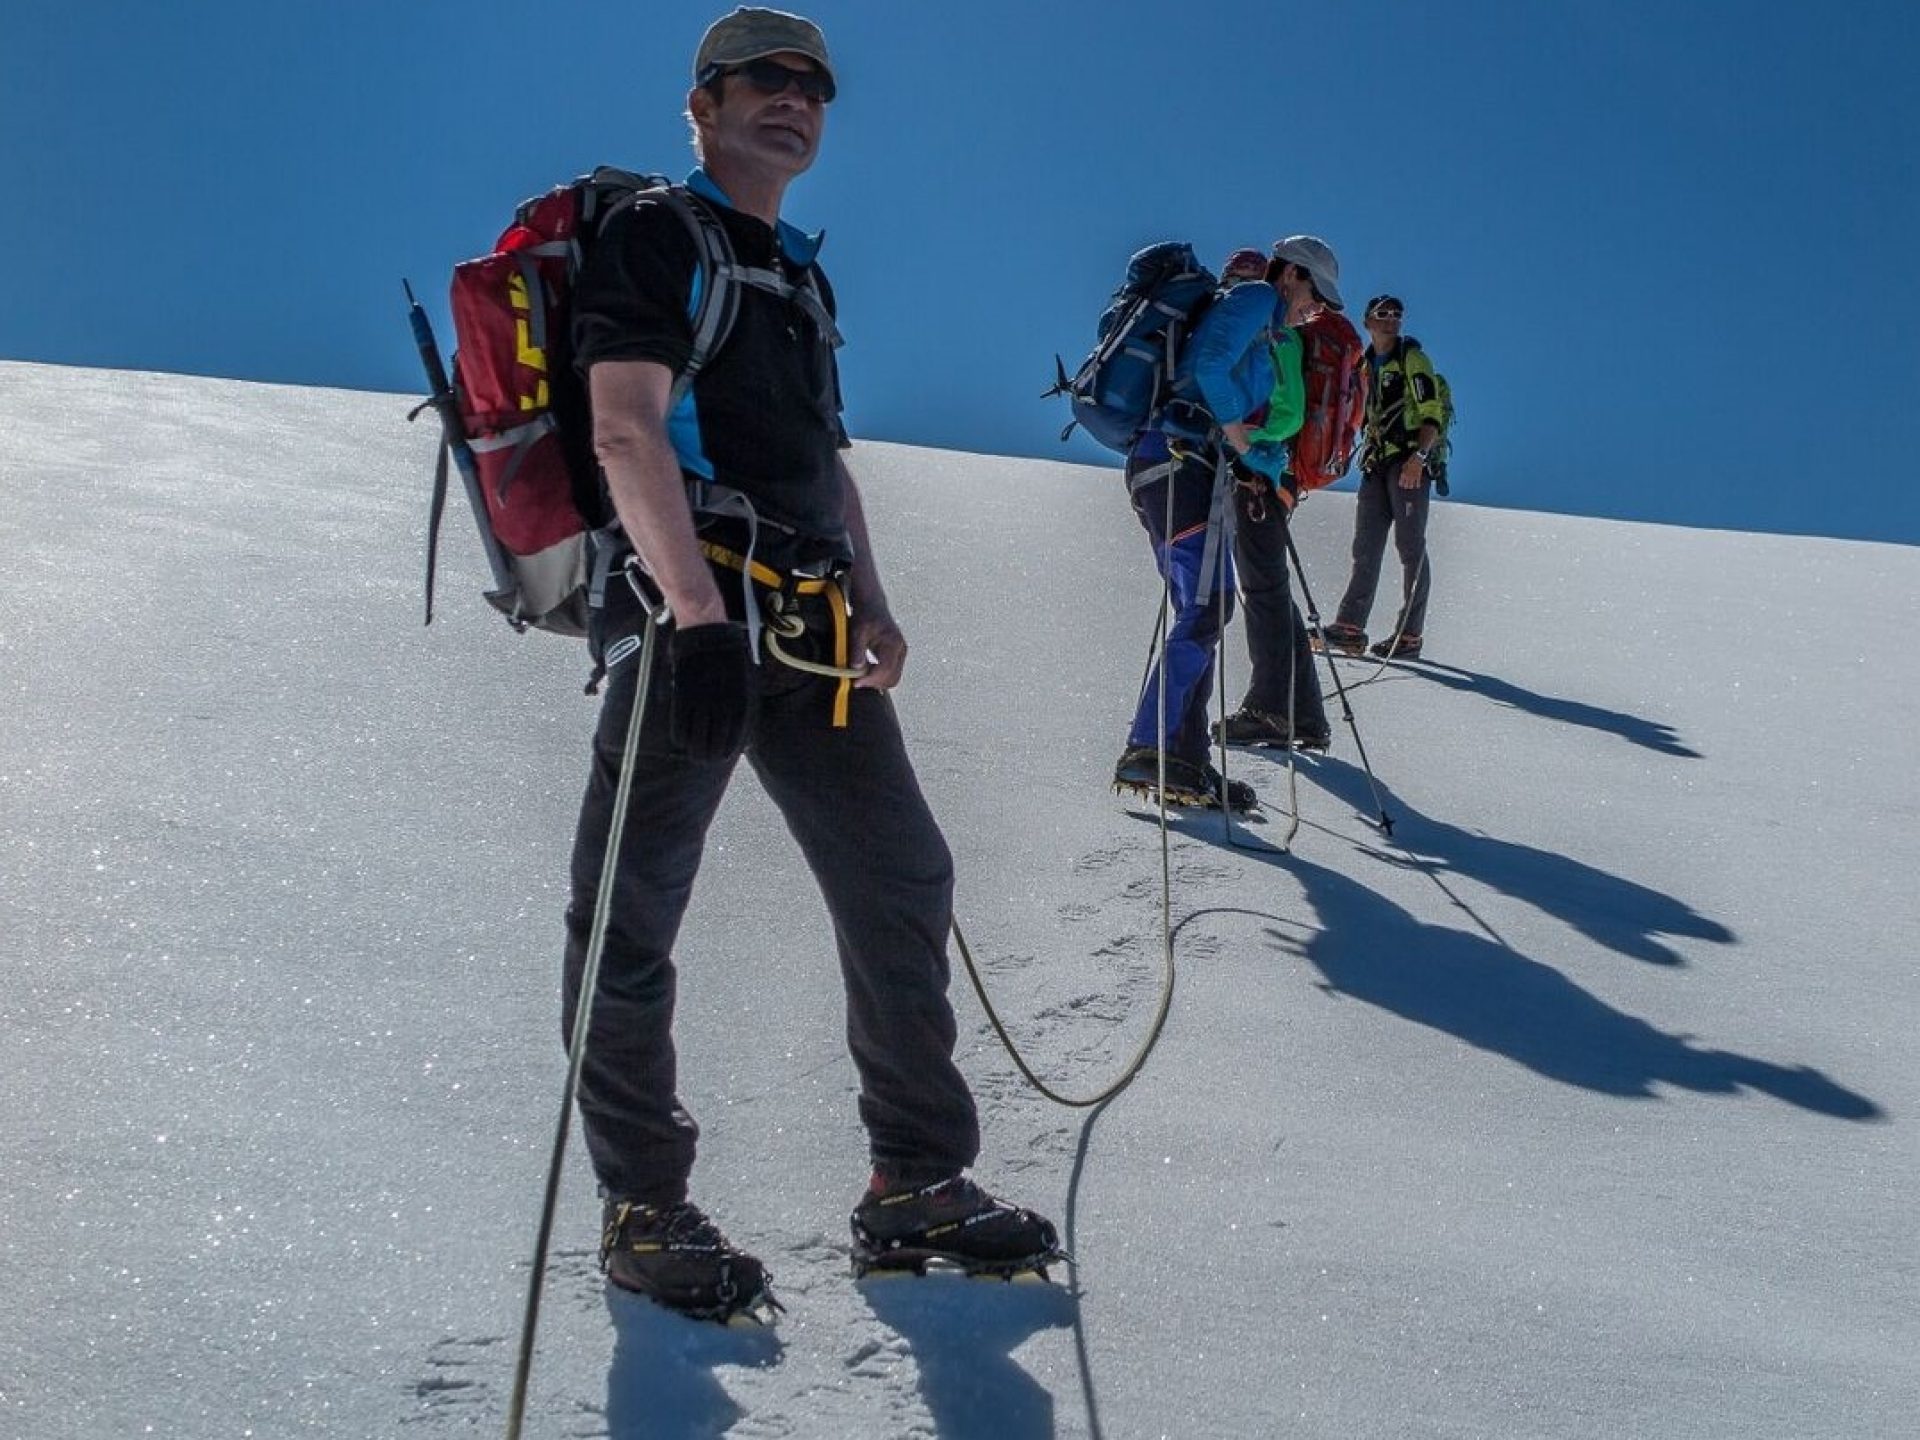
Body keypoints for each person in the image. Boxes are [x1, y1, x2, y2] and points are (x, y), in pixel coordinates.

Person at [566, 6, 1058, 1321]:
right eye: (764, 81)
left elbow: (826, 466)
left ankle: (914, 1187)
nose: (795, 101)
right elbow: (624, 430)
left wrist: (877, 604)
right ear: (704, 102)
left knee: (903, 872)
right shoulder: (657, 233)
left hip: (810, 630)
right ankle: (642, 1207)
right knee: (633, 907)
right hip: (698, 627)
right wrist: (692, 613)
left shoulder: (794, 274)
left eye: (814, 88)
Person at [1109, 248, 1269, 813]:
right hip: (1182, 466)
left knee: (1202, 606)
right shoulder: (1250, 303)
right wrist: (1252, 451)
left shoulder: (1200, 316)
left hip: (1159, 464)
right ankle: (1154, 744)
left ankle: (1185, 759)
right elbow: (1210, 373)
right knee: (1207, 606)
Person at [1211, 236, 1343, 752]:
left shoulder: (1278, 337)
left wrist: (1243, 442)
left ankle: (1271, 710)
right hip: (1268, 474)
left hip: (1261, 475)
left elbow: (1285, 413)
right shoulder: (1274, 331)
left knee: (1264, 589)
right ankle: (1304, 716)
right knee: (1270, 588)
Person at [1320, 294, 1447, 661]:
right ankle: (1350, 627)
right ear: (1368, 320)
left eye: (1396, 314)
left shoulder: (1412, 358)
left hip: (1408, 463)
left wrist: (1419, 458)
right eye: (1383, 314)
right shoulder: (1363, 364)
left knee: (1410, 547)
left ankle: (1410, 634)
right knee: (1366, 547)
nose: (1391, 320)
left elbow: (1431, 411)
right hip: (1377, 464)